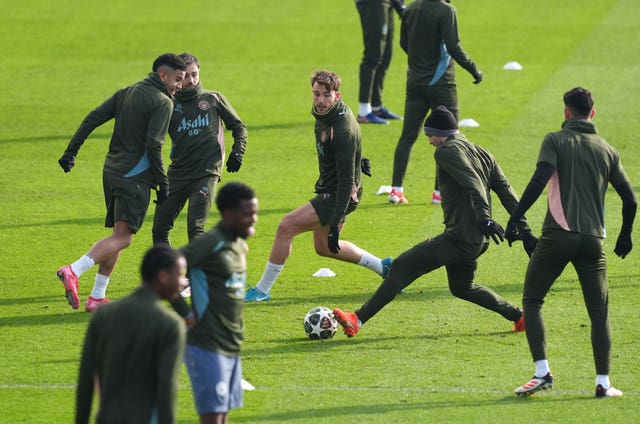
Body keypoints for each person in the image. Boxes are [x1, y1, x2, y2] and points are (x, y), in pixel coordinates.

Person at [333, 106, 528, 337]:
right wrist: (523, 225)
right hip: (477, 240)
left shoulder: (446, 152)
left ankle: (357, 319)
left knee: (402, 265)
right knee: (462, 287)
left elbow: (473, 183)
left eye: (430, 135)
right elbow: (506, 189)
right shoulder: (482, 152)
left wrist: (485, 218)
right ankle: (520, 317)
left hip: (460, 239)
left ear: (441, 133)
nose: (429, 141)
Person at [507, 88, 636, 398]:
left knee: (533, 300)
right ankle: (603, 383)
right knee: (599, 312)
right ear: (593, 113)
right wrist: (625, 235)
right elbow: (630, 199)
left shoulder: (555, 140)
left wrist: (515, 217)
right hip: (594, 242)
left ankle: (543, 372)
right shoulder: (607, 149)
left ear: (566, 112)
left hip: (558, 236)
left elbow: (540, 179)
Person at [244, 70, 391, 302]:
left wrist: (335, 222)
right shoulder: (328, 113)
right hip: (335, 187)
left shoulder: (342, 128)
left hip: (339, 194)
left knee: (286, 227)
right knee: (324, 248)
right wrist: (357, 159)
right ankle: (384, 268)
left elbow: (346, 179)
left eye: (326, 95)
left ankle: (261, 290)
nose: (320, 100)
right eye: (316, 94)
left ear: (337, 95)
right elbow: (345, 150)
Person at [56, 53, 187, 312]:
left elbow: (93, 118)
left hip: (112, 171)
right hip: (134, 177)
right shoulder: (163, 102)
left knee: (118, 234)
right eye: (177, 79)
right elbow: (154, 144)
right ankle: (73, 269)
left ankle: (97, 297)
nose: (179, 86)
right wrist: (163, 181)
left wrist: (71, 151)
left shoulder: (126, 92)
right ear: (163, 75)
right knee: (124, 238)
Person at [170, 182, 258, 423]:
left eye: (255, 212)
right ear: (228, 214)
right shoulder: (210, 243)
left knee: (223, 416)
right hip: (206, 343)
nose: (254, 219)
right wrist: (185, 313)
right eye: (247, 214)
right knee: (212, 417)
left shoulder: (240, 245)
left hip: (231, 341)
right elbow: (168, 268)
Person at [76, 245, 187, 424]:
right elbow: (166, 388)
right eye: (180, 275)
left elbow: (86, 379)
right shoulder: (170, 325)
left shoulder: (103, 316)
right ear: (163, 276)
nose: (183, 282)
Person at [388, 0, 482, 205]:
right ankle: (440, 194)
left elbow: (404, 43)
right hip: (442, 84)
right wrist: (474, 69)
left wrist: (420, 61)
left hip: (415, 82)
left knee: (407, 136)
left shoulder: (411, 8)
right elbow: (453, 46)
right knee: (449, 138)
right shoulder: (446, 11)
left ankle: (396, 190)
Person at [152, 52, 248, 246]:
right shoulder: (168, 104)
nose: (191, 80)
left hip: (206, 172)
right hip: (178, 174)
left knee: (195, 228)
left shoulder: (212, 99)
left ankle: (194, 276)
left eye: (195, 74)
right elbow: (153, 139)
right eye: (186, 75)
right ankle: (170, 274)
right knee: (159, 229)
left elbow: (238, 127)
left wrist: (237, 151)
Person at [355, 0, 404, 124]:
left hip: (388, 3)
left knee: (385, 56)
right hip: (373, 3)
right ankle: (364, 111)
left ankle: (376, 107)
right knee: (373, 56)